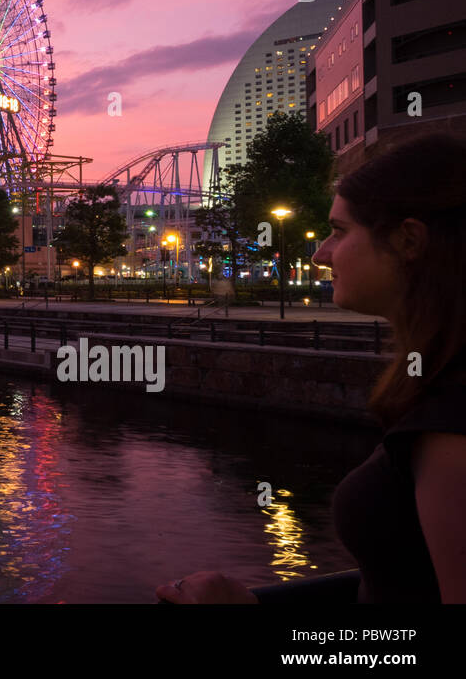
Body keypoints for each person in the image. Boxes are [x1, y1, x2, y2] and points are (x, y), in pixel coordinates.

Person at [157, 134, 466, 604]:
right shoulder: (442, 385)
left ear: (409, 240)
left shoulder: (452, 425)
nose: (320, 253)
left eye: (339, 232)